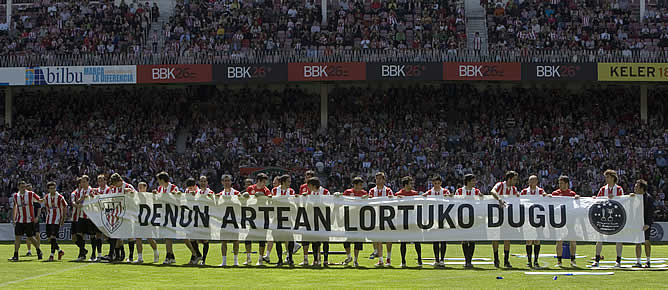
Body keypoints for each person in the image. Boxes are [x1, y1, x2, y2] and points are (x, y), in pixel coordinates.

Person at [592, 169, 625, 267]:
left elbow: (623, 201)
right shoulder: (603, 189)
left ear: (613, 178)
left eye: (608, 177)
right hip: (603, 216)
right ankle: (597, 259)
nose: (606, 179)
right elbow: (597, 201)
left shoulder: (619, 189)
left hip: (615, 217)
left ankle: (618, 260)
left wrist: (614, 198)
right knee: (599, 238)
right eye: (606, 177)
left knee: (618, 238)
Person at [547, 175, 580, 267]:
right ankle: (559, 261)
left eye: (561, 183)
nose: (560, 185)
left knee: (572, 240)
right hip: (559, 220)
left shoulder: (572, 194)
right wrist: (548, 198)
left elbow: (577, 205)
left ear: (566, 184)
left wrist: (577, 198)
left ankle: (573, 260)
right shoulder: (555, 193)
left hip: (570, 219)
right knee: (559, 240)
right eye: (559, 183)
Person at [490, 170, 519, 268]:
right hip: (496, 215)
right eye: (514, 179)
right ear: (509, 179)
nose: (515, 181)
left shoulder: (514, 189)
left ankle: (506, 260)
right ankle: (496, 259)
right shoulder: (500, 185)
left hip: (507, 217)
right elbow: (492, 191)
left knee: (507, 238)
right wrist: (499, 199)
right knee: (495, 238)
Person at [9, 181, 43, 261]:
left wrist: (46, 199)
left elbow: (39, 200)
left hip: (29, 220)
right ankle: (16, 255)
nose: (24, 189)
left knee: (31, 237)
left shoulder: (31, 194)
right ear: (18, 187)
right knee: (17, 237)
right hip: (19, 220)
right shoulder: (16, 196)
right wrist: (13, 219)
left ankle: (38, 251)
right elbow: (15, 207)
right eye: (22, 187)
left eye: (24, 187)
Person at [243, 173, 272, 266]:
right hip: (251, 216)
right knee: (248, 238)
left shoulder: (265, 190)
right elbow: (244, 198)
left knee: (262, 238)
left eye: (265, 182)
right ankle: (248, 258)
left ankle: (260, 259)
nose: (265, 184)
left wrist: (263, 195)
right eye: (263, 182)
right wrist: (245, 195)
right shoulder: (251, 188)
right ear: (258, 181)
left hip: (262, 216)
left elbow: (270, 197)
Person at [108, 173, 137, 262]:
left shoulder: (128, 186)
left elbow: (136, 197)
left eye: (116, 183)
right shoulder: (114, 189)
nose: (115, 185)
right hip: (117, 215)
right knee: (117, 235)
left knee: (130, 235)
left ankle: (131, 256)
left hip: (128, 214)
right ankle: (118, 255)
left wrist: (132, 193)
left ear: (120, 181)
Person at [339, 177, 368, 267]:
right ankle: (349, 256)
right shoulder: (348, 192)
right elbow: (342, 202)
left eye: (361, 185)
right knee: (346, 239)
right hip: (349, 218)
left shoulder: (364, 193)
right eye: (359, 185)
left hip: (359, 219)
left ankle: (355, 260)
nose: (360, 187)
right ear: (355, 185)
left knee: (358, 240)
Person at [423, 175, 450, 267]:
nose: (437, 185)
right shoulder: (430, 192)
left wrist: (450, 196)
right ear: (432, 183)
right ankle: (436, 259)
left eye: (438, 183)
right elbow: (422, 198)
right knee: (435, 240)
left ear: (441, 183)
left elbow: (451, 200)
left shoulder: (445, 191)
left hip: (444, 218)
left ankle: (442, 259)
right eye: (435, 183)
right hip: (433, 218)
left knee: (443, 240)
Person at [368, 171, 394, 266]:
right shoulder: (372, 191)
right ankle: (380, 260)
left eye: (380, 179)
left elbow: (392, 202)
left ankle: (388, 259)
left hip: (387, 217)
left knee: (388, 239)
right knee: (378, 239)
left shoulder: (388, 191)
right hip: (376, 217)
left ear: (384, 180)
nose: (378, 180)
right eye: (377, 179)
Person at [456, 174, 482, 268]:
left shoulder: (476, 191)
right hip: (462, 218)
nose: (475, 182)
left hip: (473, 217)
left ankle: (469, 260)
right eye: (473, 181)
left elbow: (481, 201)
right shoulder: (459, 191)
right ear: (468, 181)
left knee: (471, 239)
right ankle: (466, 260)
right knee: (464, 239)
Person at [154, 171, 180, 265]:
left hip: (171, 214)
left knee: (168, 236)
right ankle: (171, 256)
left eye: (159, 180)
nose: (158, 182)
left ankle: (168, 256)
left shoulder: (173, 187)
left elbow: (178, 198)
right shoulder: (160, 188)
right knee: (166, 236)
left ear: (162, 180)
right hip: (163, 214)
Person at [395, 176, 422, 268]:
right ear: (406, 185)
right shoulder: (398, 194)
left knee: (417, 241)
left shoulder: (415, 194)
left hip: (413, 219)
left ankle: (419, 259)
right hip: (403, 221)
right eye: (410, 183)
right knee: (403, 242)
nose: (412, 185)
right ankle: (403, 261)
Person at [520, 175, 544, 268]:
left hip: (538, 218)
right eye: (530, 181)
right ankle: (529, 261)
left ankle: (536, 261)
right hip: (528, 218)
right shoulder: (524, 192)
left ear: (537, 182)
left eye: (533, 181)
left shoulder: (541, 191)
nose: (532, 183)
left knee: (537, 240)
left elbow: (547, 200)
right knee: (529, 240)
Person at [272, 174, 296, 267]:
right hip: (277, 217)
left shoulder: (291, 191)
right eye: (288, 181)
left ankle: (290, 257)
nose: (290, 183)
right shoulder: (275, 190)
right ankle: (280, 259)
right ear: (283, 182)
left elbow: (293, 203)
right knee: (277, 239)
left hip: (288, 217)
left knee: (290, 238)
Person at [133, 181, 159, 264]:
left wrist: (155, 195)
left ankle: (156, 252)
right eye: (139, 187)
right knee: (138, 238)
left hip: (147, 220)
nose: (140, 189)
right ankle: (140, 257)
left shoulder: (149, 196)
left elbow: (156, 202)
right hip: (137, 220)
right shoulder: (135, 196)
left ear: (145, 187)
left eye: (141, 187)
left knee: (149, 238)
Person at [306, 177, 330, 267]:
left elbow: (329, 204)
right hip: (314, 220)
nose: (308, 188)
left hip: (324, 219)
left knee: (325, 240)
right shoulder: (311, 194)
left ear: (313, 185)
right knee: (314, 240)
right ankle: (315, 259)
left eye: (309, 186)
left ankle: (325, 260)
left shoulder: (325, 192)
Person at [630, 179, 653, 268]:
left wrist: (648, 224)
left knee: (646, 242)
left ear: (642, 188)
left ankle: (648, 261)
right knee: (637, 242)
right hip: (636, 223)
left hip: (645, 224)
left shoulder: (648, 198)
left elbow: (651, 212)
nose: (634, 188)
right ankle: (638, 262)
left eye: (637, 186)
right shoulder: (634, 197)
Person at [218, 174, 241, 267]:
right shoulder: (219, 195)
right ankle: (224, 261)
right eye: (225, 181)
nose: (227, 182)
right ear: (222, 182)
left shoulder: (237, 194)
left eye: (228, 181)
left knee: (236, 241)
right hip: (224, 221)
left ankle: (236, 261)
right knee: (224, 241)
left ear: (231, 182)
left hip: (235, 220)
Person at [41, 181, 67, 261]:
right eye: (51, 188)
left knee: (53, 237)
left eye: (54, 188)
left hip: (57, 220)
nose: (52, 190)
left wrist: (63, 218)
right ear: (48, 189)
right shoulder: (46, 197)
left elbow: (65, 207)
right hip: (48, 219)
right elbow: (43, 205)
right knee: (49, 238)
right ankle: (60, 251)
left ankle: (51, 255)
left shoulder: (59, 197)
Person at [72, 175, 95, 261]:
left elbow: (95, 201)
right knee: (79, 234)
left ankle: (93, 254)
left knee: (92, 235)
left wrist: (90, 198)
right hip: (81, 215)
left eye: (84, 181)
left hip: (90, 216)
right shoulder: (80, 191)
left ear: (88, 182)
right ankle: (82, 253)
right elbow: (77, 201)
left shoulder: (92, 190)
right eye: (82, 182)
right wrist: (81, 200)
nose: (83, 183)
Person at [183, 178, 204, 265]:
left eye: (191, 187)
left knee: (194, 238)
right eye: (189, 188)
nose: (190, 189)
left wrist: (195, 196)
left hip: (197, 217)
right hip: (189, 217)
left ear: (195, 186)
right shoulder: (186, 191)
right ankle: (196, 254)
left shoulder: (199, 192)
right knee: (186, 238)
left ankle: (196, 256)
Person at [297, 170, 316, 264]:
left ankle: (316, 259)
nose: (307, 178)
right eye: (306, 176)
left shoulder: (316, 188)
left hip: (314, 214)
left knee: (315, 237)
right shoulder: (302, 187)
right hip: (304, 213)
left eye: (309, 177)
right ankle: (305, 259)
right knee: (304, 237)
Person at [263, 176, 281, 264]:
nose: (273, 184)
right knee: (271, 235)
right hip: (274, 215)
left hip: (282, 216)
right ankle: (267, 255)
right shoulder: (273, 191)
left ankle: (290, 254)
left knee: (284, 237)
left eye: (275, 182)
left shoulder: (287, 191)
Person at [197, 175, 214, 265]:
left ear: (207, 182)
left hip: (206, 219)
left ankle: (204, 259)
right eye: (201, 181)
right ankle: (197, 255)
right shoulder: (196, 192)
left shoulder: (210, 192)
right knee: (193, 239)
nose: (203, 183)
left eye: (204, 181)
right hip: (197, 218)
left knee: (205, 240)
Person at [25, 183, 41, 257]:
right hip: (28, 219)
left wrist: (37, 217)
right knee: (29, 235)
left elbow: (39, 208)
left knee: (37, 235)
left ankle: (38, 248)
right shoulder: (24, 198)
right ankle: (29, 251)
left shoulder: (35, 198)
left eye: (30, 188)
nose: (29, 190)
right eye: (27, 188)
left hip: (34, 219)